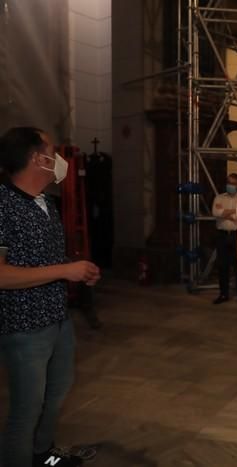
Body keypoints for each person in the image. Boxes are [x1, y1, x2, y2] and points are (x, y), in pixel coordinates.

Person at [0, 127, 101, 467]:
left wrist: (77, 269)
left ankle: (44, 456)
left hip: (57, 318)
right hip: (24, 326)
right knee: (26, 410)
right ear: (36, 158)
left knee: (55, 395)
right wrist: (63, 272)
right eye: (52, 152)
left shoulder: (47, 203)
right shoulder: (2, 204)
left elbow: (45, 261)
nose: (59, 160)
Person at [212, 173, 237, 304]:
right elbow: (216, 213)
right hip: (222, 235)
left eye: (233, 183)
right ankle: (223, 294)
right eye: (228, 182)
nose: (230, 186)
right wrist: (233, 212)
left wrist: (225, 212)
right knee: (222, 266)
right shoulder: (219, 198)